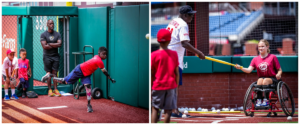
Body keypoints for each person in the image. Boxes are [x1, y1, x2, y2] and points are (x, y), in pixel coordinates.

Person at [166, 5, 205, 117]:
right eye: (190, 14)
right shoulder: (183, 24)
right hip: (174, 59)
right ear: (184, 15)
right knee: (175, 86)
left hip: (168, 56)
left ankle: (169, 109)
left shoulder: (174, 21)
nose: (192, 16)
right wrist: (198, 52)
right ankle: (173, 110)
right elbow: (184, 43)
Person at [53, 47, 116, 113]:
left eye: (106, 54)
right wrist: (110, 78)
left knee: (88, 88)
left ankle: (89, 105)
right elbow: (105, 72)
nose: (105, 56)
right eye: (103, 54)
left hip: (86, 74)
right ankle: (53, 77)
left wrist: (110, 78)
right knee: (65, 81)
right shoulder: (99, 61)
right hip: (79, 70)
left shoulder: (97, 57)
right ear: (99, 53)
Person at [235, 39, 282, 107]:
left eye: (262, 46)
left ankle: (266, 100)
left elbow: (280, 70)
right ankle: (259, 100)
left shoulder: (273, 57)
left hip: (272, 79)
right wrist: (241, 67)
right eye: (259, 46)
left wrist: (279, 74)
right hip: (261, 79)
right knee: (259, 80)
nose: (260, 48)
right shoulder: (255, 59)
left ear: (267, 47)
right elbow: (249, 70)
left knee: (265, 80)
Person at [150, 29, 180, 124]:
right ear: (169, 40)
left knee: (155, 109)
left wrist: (150, 87)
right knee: (168, 110)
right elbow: (177, 73)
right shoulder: (174, 54)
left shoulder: (153, 55)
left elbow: (151, 73)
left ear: (158, 40)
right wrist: (177, 87)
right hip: (171, 86)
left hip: (157, 85)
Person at [40, 19, 62, 97]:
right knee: (48, 74)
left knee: (55, 73)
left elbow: (60, 44)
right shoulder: (43, 34)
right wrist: (54, 44)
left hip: (55, 56)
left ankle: (55, 89)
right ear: (47, 25)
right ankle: (50, 89)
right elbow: (44, 47)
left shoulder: (57, 34)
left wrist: (50, 43)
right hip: (47, 56)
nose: (52, 25)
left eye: (52, 23)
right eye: (50, 24)